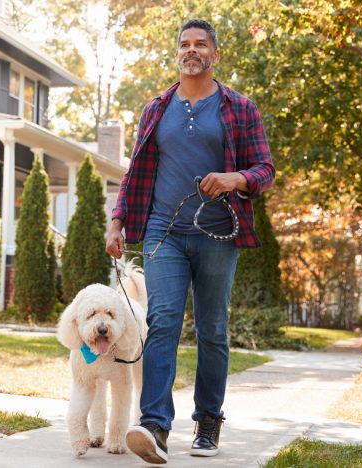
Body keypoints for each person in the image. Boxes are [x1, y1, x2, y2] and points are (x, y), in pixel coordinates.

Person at [105, 18, 275, 464]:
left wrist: (235, 177)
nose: (192, 50)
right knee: (161, 321)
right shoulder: (156, 108)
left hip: (218, 231)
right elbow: (135, 172)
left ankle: (208, 419)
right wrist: (117, 221)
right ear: (177, 52)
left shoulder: (239, 108)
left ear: (214, 55)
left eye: (201, 44)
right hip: (164, 229)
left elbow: (264, 170)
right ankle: (156, 425)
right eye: (185, 44)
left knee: (212, 328)